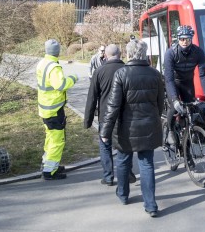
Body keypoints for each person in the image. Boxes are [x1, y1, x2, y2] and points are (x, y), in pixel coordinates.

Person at [100, 39, 164, 217]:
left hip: (126, 128)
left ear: (128, 54)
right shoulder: (155, 74)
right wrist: (153, 118)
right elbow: (160, 105)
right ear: (145, 53)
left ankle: (123, 194)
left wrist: (105, 132)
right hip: (149, 125)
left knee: (122, 160)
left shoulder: (121, 74)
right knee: (147, 164)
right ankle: (151, 205)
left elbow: (113, 106)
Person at [84, 44, 136, 186]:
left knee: (105, 145)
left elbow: (92, 97)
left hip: (105, 116)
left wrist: (87, 120)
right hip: (125, 115)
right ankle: (127, 172)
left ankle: (108, 176)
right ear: (121, 54)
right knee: (125, 144)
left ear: (105, 56)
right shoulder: (128, 70)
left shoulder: (99, 71)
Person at [163, 25, 205, 148]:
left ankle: (188, 141)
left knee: (191, 109)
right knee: (174, 107)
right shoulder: (171, 53)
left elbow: (202, 76)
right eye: (182, 39)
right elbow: (168, 79)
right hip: (173, 82)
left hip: (187, 83)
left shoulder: (198, 52)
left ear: (191, 39)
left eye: (187, 39)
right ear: (178, 39)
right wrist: (175, 99)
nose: (184, 42)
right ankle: (170, 130)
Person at [36, 39, 78, 180]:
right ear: (58, 51)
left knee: (50, 137)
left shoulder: (42, 63)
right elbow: (60, 85)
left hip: (45, 107)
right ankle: (50, 171)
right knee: (57, 140)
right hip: (54, 109)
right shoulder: (53, 66)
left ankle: (47, 163)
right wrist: (73, 78)